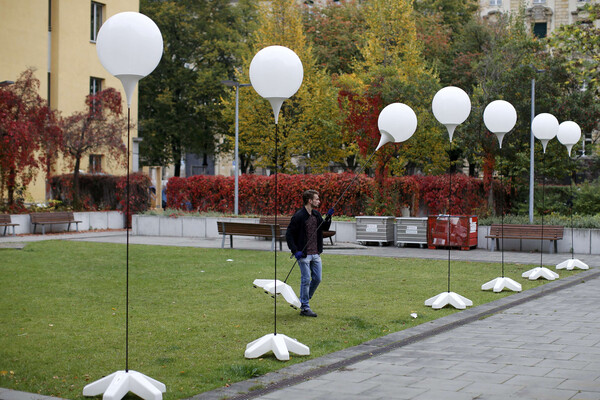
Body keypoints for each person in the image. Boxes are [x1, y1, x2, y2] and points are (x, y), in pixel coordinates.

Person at [286, 190, 334, 317]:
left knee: (317, 279)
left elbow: (324, 228)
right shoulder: (299, 216)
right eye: (317, 199)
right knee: (306, 279)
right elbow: (289, 234)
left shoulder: (316, 214)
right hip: (304, 254)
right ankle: (305, 307)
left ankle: (304, 299)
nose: (319, 201)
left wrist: (328, 217)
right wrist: (295, 251)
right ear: (310, 200)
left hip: (316, 254)